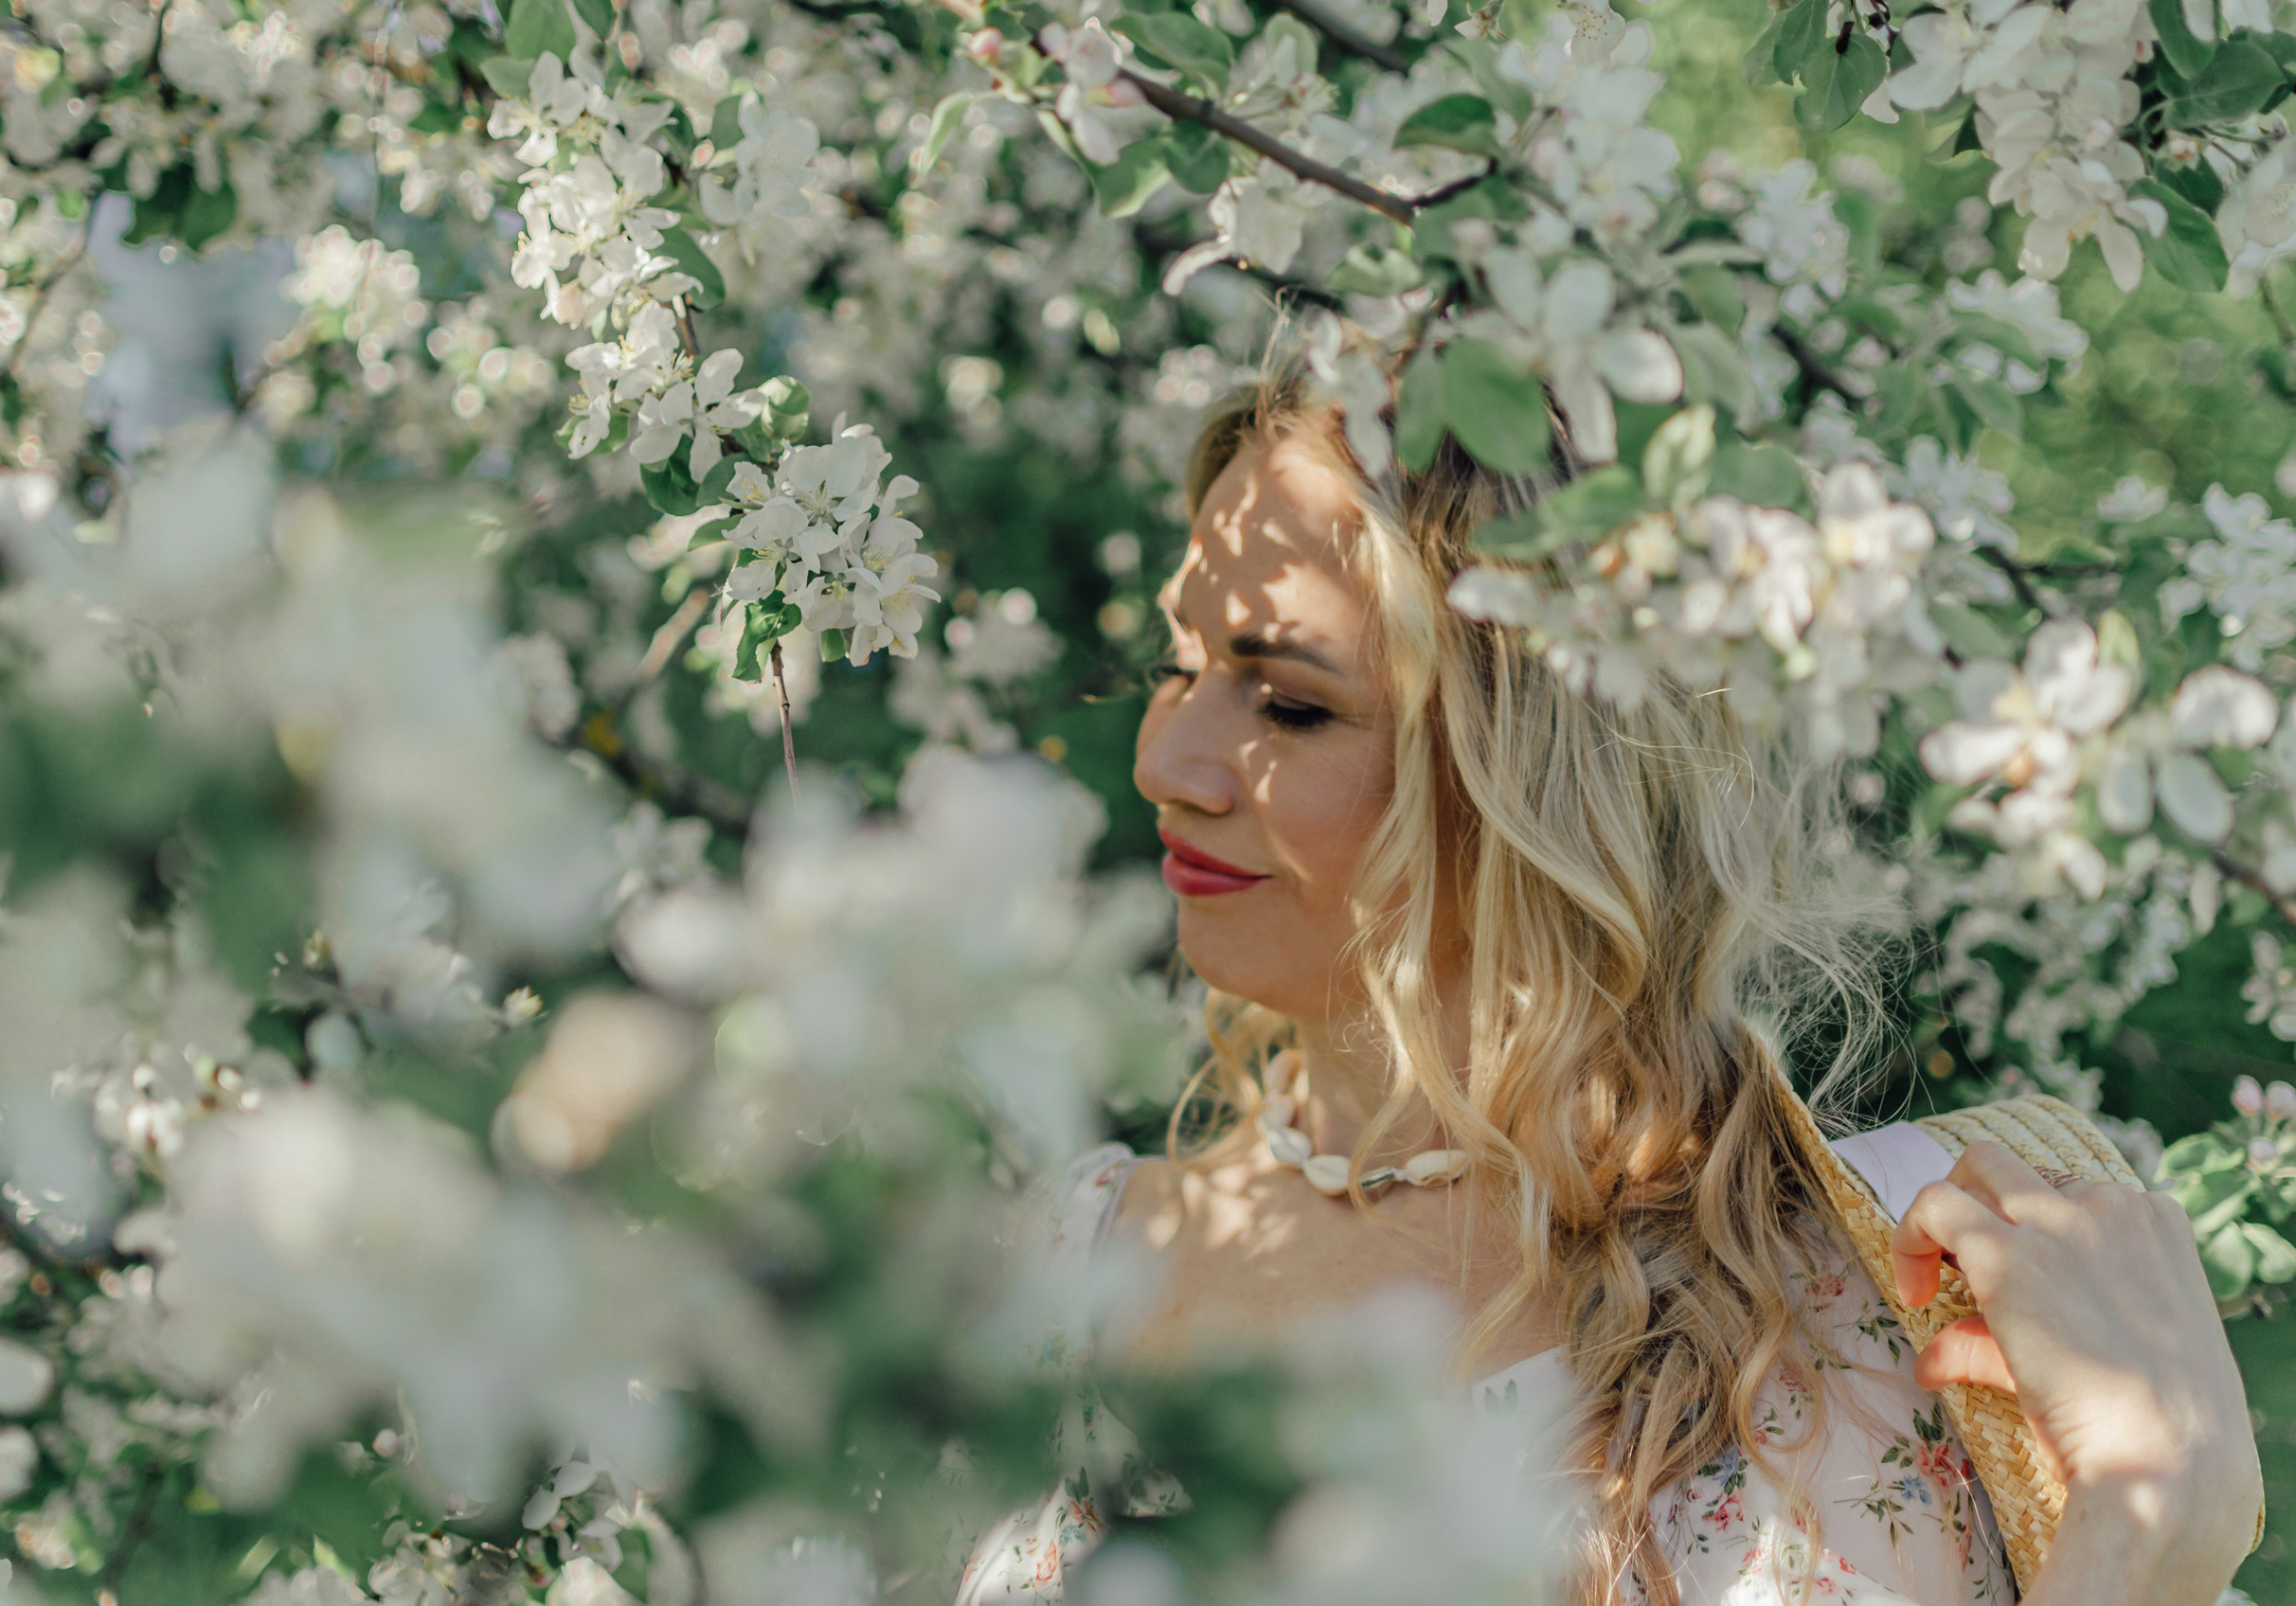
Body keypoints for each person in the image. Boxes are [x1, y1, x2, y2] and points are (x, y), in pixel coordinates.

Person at [957, 379, 2264, 1606]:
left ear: (1542, 775)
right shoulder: (1046, 1285)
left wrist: (2150, 1540)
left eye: (1291, 703)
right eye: (1179, 666)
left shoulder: (1937, 1290)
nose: (1167, 760)